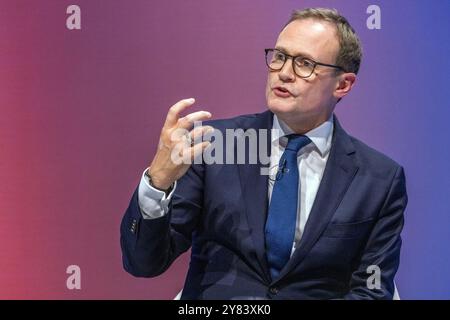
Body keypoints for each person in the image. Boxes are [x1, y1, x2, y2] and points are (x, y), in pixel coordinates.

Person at [120, 8, 407, 299]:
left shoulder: (379, 180)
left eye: (304, 63)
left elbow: (371, 290)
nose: (283, 72)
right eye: (280, 56)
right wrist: (158, 182)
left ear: (343, 84)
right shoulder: (215, 146)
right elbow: (144, 263)